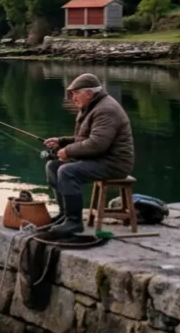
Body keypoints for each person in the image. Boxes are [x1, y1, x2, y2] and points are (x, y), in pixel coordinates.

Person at [42, 73, 134, 238]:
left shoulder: (106, 110)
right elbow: (85, 139)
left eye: (76, 94)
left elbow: (97, 144)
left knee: (67, 171)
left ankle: (74, 222)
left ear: (89, 93)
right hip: (100, 158)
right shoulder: (93, 106)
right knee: (53, 166)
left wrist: (68, 151)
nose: (73, 98)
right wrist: (62, 142)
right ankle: (65, 215)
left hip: (113, 163)